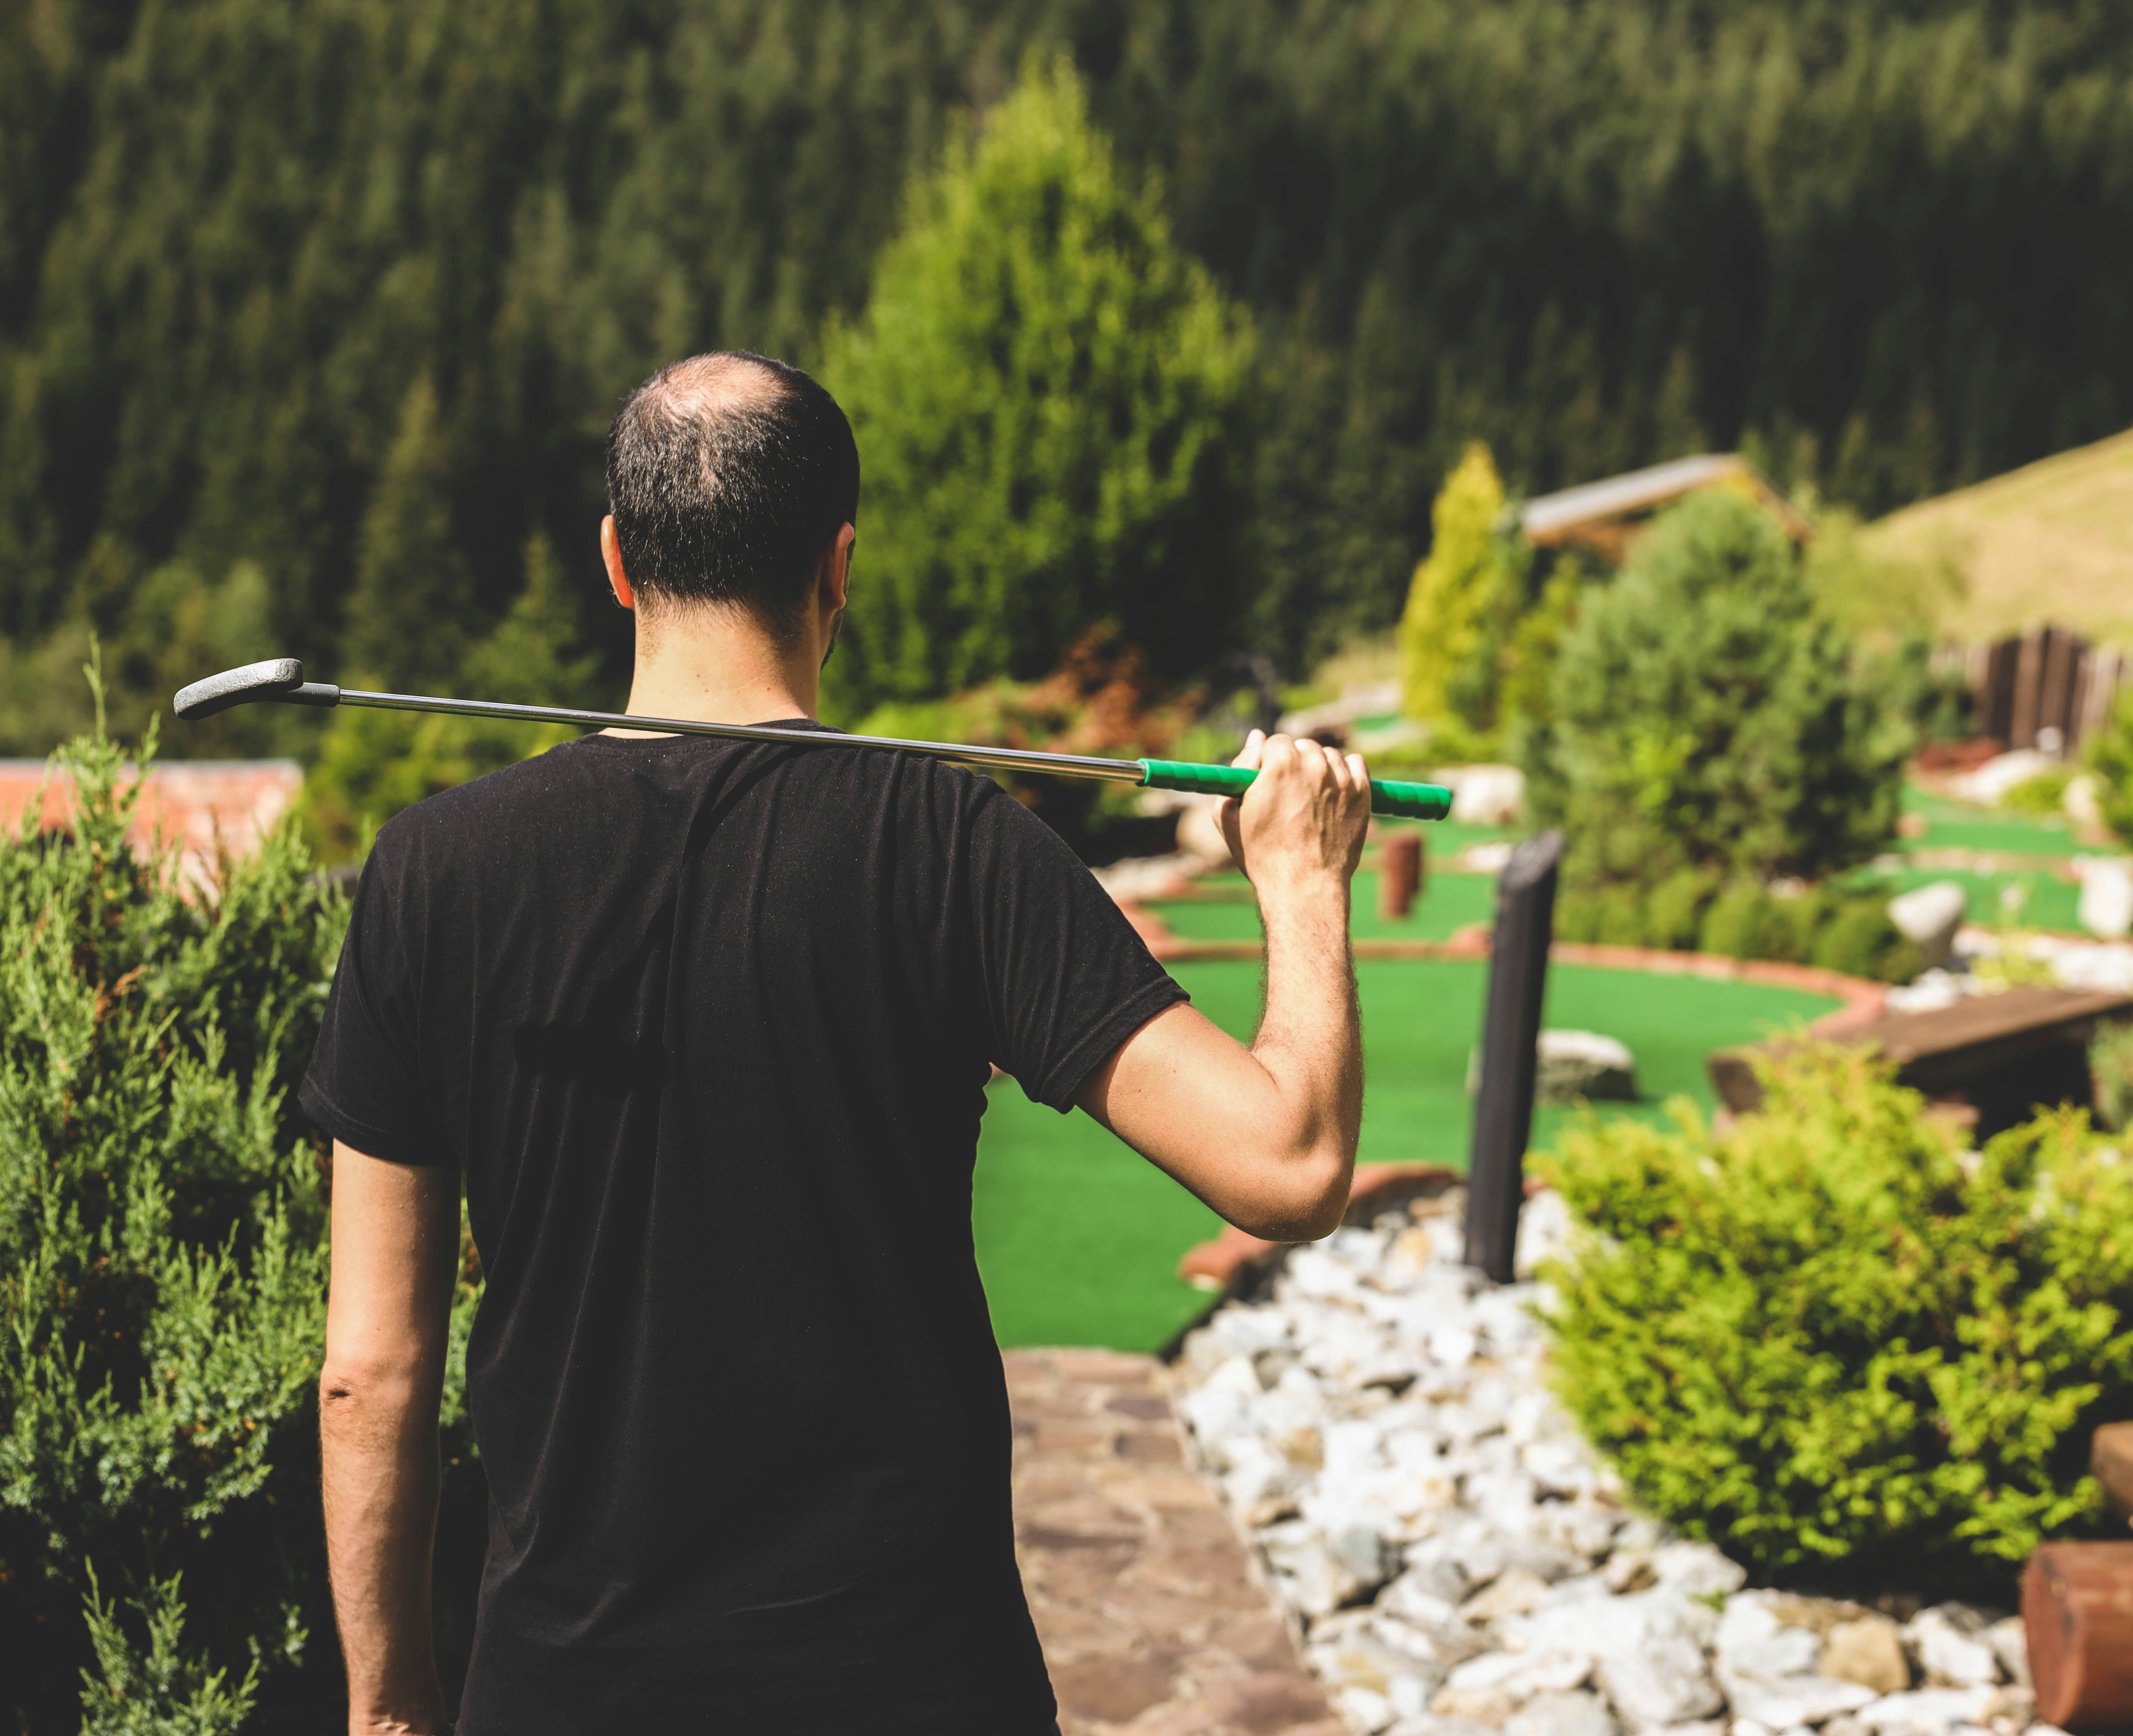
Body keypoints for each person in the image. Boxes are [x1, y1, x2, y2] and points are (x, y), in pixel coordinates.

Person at [309, 350, 1370, 1734]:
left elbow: (368, 1373)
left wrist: (387, 1716)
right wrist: (1300, 878)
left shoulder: (429, 872)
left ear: (619, 563)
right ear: (840, 566)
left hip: (568, 1690)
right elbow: (1287, 1166)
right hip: (914, 1685)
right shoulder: (952, 843)